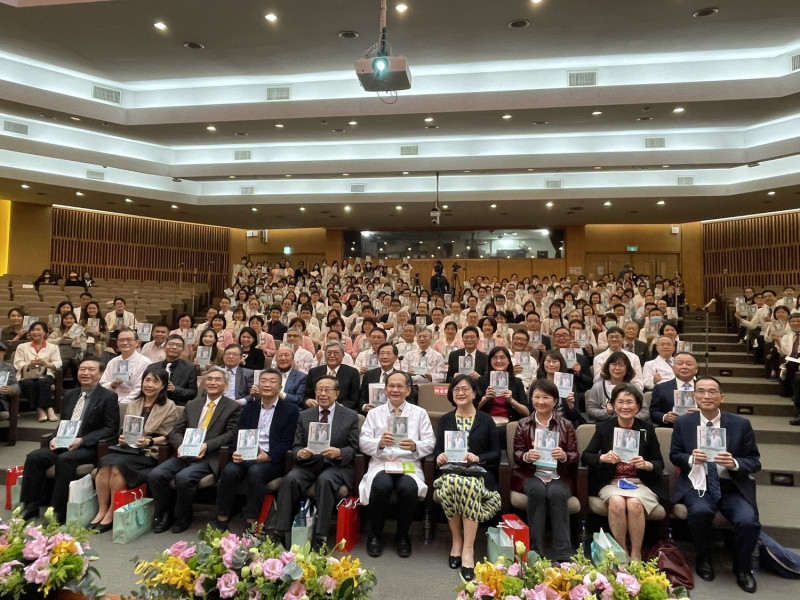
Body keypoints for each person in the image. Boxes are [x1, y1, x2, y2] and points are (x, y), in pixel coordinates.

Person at [669, 377, 761, 593]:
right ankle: (703, 558)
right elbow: (675, 455)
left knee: (748, 521)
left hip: (731, 486)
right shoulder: (684, 423)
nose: (707, 396)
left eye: (712, 392)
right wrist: (691, 459)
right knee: (700, 512)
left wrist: (735, 463)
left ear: (722, 397)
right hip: (698, 484)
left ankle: (743, 568)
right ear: (694, 396)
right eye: (701, 391)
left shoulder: (740, 424)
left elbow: (755, 461)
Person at [266, 375, 360, 551]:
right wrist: (300, 453)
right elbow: (296, 445)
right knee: (291, 479)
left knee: (325, 481)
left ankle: (320, 536)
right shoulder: (305, 415)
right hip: (308, 464)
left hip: (335, 466)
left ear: (337, 394)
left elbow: (354, 447)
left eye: (327, 390)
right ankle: (279, 531)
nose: (322, 394)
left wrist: (339, 452)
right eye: (319, 390)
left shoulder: (350, 416)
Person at [20, 358, 118, 523]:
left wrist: (82, 440)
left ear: (100, 374)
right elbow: (64, 423)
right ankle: (29, 506)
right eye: (82, 369)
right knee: (34, 457)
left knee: (65, 460)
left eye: (91, 370)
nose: (85, 373)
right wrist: (54, 437)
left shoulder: (108, 397)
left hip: (88, 447)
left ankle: (57, 510)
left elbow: (110, 429)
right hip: (64, 443)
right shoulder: (71, 394)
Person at [148, 366, 242, 533]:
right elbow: (175, 431)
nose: (212, 382)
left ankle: (183, 516)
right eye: (209, 379)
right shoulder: (192, 404)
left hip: (209, 455)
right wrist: (181, 445)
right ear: (204, 383)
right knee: (156, 475)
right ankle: (164, 514)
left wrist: (207, 445)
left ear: (226, 385)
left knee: (184, 478)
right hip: (185, 452)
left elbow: (231, 434)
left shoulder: (233, 407)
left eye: (217, 379)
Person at [581, 383, 665, 561]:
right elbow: (586, 456)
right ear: (612, 405)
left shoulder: (646, 429)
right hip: (612, 482)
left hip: (639, 483)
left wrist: (646, 464)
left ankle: (636, 553)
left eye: (630, 402)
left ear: (638, 407)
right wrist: (602, 458)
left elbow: (659, 463)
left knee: (634, 504)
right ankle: (621, 553)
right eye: (620, 402)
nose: (625, 406)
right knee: (617, 502)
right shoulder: (604, 427)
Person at [91, 365, 179, 532]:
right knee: (104, 464)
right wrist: (124, 437)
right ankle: (102, 509)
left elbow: (168, 435)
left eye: (155, 381)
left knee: (116, 467)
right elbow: (127, 429)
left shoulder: (169, 406)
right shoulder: (134, 403)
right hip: (127, 449)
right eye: (147, 380)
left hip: (148, 451)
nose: (150, 385)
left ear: (162, 386)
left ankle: (111, 513)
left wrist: (149, 441)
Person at [359, 372, 435, 558]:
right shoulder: (375, 413)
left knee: (408, 488)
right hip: (382, 463)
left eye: (399, 386)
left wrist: (416, 445)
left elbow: (430, 442)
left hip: (408, 464)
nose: (395, 390)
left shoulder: (420, 413)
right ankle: (375, 534)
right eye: (391, 386)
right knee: (381, 485)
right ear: (385, 389)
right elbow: (363, 441)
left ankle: (402, 535)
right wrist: (379, 442)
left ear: (408, 390)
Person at [432, 375, 501, 581]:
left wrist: (479, 457)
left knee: (466, 484)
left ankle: (467, 548)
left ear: (474, 393)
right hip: (450, 473)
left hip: (478, 474)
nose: (460, 393)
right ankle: (457, 541)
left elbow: (496, 453)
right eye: (456, 390)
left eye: (465, 389)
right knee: (455, 482)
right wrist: (440, 457)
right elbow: (437, 451)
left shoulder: (486, 420)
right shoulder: (445, 419)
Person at [215, 369, 300, 530]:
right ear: (258, 385)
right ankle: (222, 519)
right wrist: (236, 451)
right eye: (264, 381)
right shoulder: (249, 409)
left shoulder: (290, 410)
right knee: (229, 471)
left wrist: (267, 456)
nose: (267, 384)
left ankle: (253, 522)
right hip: (247, 454)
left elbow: (288, 442)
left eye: (272, 381)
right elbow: (238, 434)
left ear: (280, 386)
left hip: (272, 459)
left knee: (256, 472)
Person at [512, 379, 578, 562]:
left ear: (555, 400)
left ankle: (563, 554)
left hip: (559, 476)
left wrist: (564, 455)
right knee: (538, 491)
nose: (541, 401)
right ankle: (535, 551)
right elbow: (517, 454)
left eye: (546, 397)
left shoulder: (566, 425)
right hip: (530, 474)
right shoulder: (523, 424)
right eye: (536, 397)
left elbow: (574, 456)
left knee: (557, 493)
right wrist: (526, 456)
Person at [14, 321, 62, 422]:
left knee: (42, 382)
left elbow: (58, 363)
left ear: (45, 332)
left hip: (45, 374)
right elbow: (17, 363)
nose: (35, 332)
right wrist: (29, 365)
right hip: (25, 375)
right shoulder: (22, 347)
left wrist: (46, 364)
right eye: (33, 330)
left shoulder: (53, 347)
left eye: (38, 330)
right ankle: (41, 409)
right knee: (29, 383)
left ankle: (48, 409)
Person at [586, 351, 649, 422]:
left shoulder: (634, 388)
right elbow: (590, 411)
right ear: (608, 367)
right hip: (605, 426)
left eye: (621, 365)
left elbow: (645, 412)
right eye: (613, 364)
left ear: (627, 368)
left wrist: (628, 417)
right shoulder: (597, 387)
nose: (617, 368)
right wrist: (606, 412)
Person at [99, 328, 152, 403]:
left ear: (137, 342)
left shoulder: (145, 363)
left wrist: (123, 403)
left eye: (129, 340)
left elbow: (140, 388)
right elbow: (102, 383)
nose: (125, 342)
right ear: (117, 343)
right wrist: (112, 385)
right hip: (110, 402)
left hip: (133, 404)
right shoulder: (113, 362)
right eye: (121, 340)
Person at [304, 341, 360, 410]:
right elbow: (306, 396)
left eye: (336, 353)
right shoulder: (314, 372)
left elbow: (354, 400)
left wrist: (339, 407)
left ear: (343, 356)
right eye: (329, 353)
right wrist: (308, 401)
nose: (332, 356)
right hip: (317, 410)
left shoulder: (352, 373)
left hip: (341, 412)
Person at [650, 352, 699, 426]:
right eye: (680, 364)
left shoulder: (705, 388)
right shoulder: (661, 388)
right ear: (673, 368)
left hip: (699, 427)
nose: (684, 367)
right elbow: (654, 412)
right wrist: (665, 417)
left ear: (696, 369)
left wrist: (702, 414)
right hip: (671, 428)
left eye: (688, 364)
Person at [47, 311, 86, 389]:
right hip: (60, 357)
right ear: (62, 320)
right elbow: (48, 342)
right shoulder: (57, 331)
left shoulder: (80, 332)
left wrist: (77, 342)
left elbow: (84, 348)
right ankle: (58, 386)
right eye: (66, 318)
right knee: (65, 361)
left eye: (71, 318)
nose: (68, 320)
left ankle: (78, 387)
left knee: (74, 361)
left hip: (75, 357)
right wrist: (61, 339)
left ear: (75, 320)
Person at [159, 334, 198, 405]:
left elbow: (193, 393)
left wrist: (175, 389)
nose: (174, 347)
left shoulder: (189, 368)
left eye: (178, 345)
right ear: (164, 347)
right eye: (171, 344)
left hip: (177, 406)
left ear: (182, 350)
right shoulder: (153, 367)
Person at [0, 341, 20, 414]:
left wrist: (11, 389)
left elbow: (16, 386)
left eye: (0, 352)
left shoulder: (8, 367)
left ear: (3, 353)